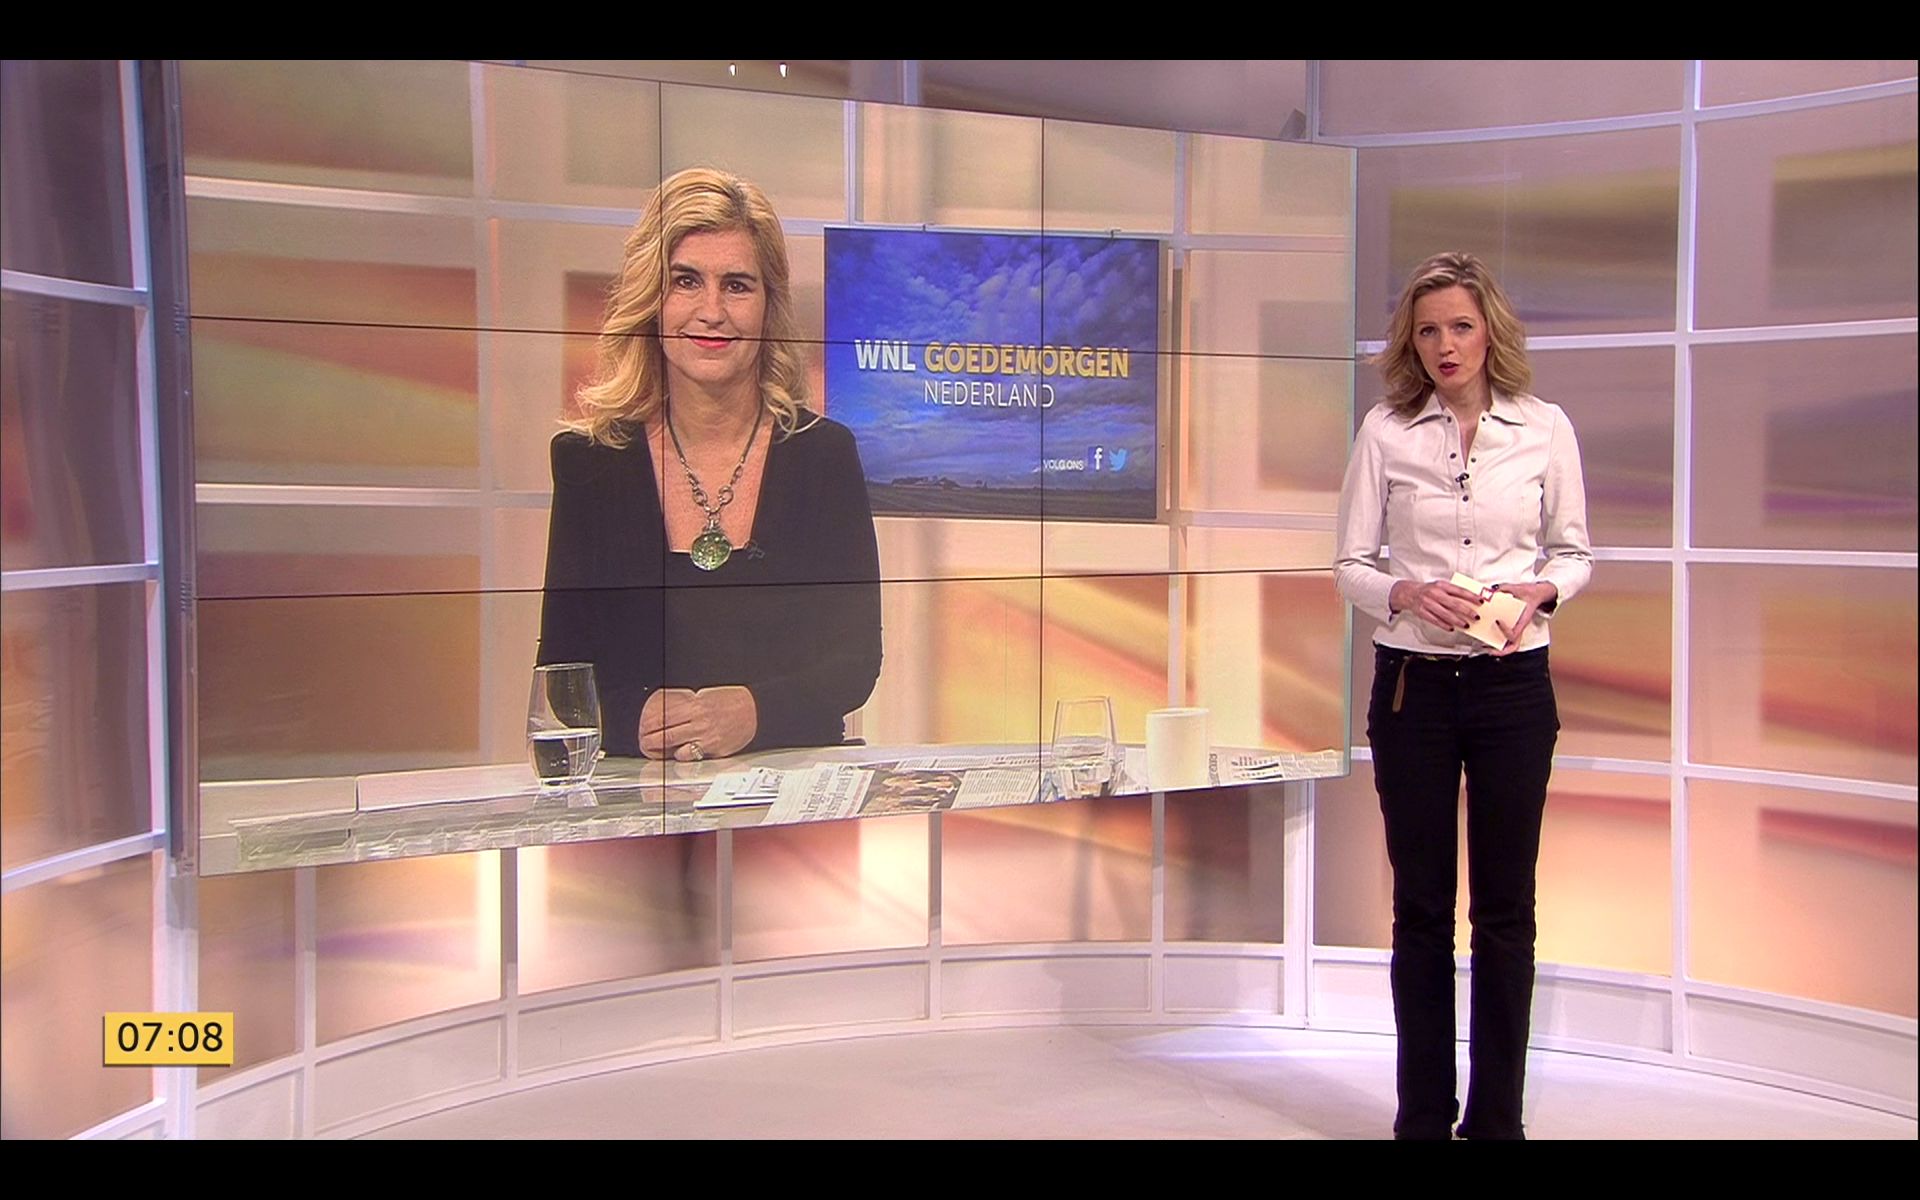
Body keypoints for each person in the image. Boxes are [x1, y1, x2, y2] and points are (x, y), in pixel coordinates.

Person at [1334, 251, 1592, 1139]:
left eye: (1461, 327)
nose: (1445, 345)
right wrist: (1405, 592)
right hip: (1414, 689)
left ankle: (1494, 1123)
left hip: (1513, 688)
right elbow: (1350, 564)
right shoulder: (1386, 430)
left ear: (1490, 334)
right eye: (1428, 330)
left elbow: (1574, 552)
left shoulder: (1544, 427)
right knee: (1420, 910)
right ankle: (1421, 1118)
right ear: (1411, 341)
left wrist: (1543, 590)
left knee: (1506, 911)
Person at [537, 167, 882, 762]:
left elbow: (854, 661)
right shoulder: (590, 462)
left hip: (790, 786)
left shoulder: (822, 456)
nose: (711, 310)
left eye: (737, 285)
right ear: (652, 299)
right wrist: (634, 718)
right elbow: (563, 673)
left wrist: (753, 713)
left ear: (768, 305)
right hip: (642, 792)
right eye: (686, 281)